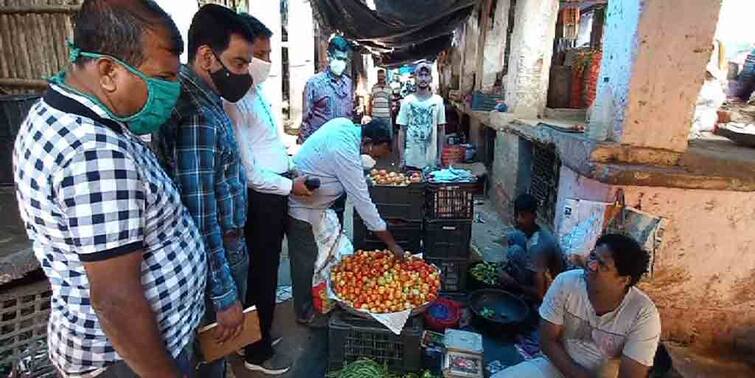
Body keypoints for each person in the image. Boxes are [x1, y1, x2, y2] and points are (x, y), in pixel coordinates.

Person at [13, 1, 205, 376]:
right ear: (108, 71)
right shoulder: (93, 152)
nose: (174, 91)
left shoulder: (67, 112)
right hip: (128, 361)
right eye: (163, 79)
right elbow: (116, 300)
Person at [153, 4, 254, 376]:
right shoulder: (196, 114)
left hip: (223, 250)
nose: (244, 74)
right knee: (214, 352)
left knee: (215, 355)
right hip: (220, 254)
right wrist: (224, 294)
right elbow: (201, 214)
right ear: (207, 56)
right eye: (240, 63)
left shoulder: (205, 101)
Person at [223, 14, 312, 375]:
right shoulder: (233, 101)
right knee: (260, 274)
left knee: (270, 271)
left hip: (276, 190)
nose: (267, 61)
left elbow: (267, 145)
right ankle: (256, 353)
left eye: (268, 53)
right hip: (261, 199)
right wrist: (290, 185)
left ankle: (257, 334)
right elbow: (248, 171)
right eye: (259, 54)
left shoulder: (254, 92)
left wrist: (289, 169)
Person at [288, 118, 405, 325]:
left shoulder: (345, 126)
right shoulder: (345, 151)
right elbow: (363, 204)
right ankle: (303, 311)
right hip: (302, 209)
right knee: (304, 262)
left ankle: (321, 295)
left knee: (319, 257)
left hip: (317, 207)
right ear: (368, 141)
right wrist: (391, 243)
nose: (374, 158)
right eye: (375, 152)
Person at [494, 234, 661, 378]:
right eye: (593, 256)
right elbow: (547, 341)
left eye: (602, 265)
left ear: (624, 280)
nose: (591, 265)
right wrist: (577, 375)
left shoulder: (644, 314)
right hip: (558, 365)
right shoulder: (566, 282)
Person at [500, 194, 566, 302]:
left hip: (550, 285)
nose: (518, 220)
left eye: (523, 216)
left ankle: (521, 286)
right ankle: (514, 275)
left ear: (534, 216)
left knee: (515, 251)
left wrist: (514, 284)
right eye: (517, 215)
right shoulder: (530, 232)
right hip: (536, 267)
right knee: (514, 236)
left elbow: (540, 294)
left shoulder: (538, 247)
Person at [297, 35, 353, 144]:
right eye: (339, 58)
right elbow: (306, 120)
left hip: (341, 144)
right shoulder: (314, 83)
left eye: (345, 60)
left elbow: (349, 116)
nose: (342, 63)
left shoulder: (348, 84)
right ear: (329, 56)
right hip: (319, 145)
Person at [397, 61, 446, 170]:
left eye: (426, 75)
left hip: (431, 161)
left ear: (431, 79)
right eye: (420, 75)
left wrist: (439, 156)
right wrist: (402, 158)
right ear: (415, 78)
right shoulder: (407, 101)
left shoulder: (438, 101)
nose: (423, 79)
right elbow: (402, 131)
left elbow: (441, 130)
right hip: (411, 160)